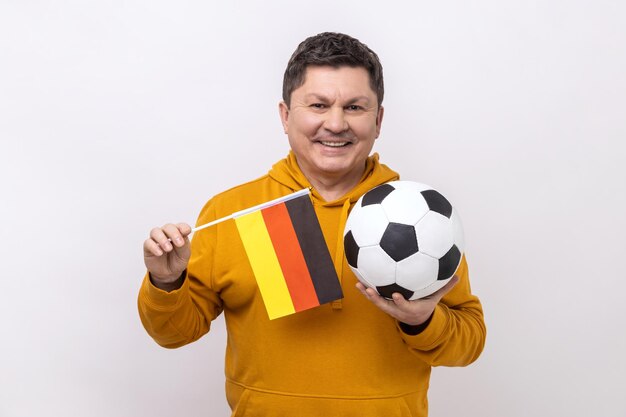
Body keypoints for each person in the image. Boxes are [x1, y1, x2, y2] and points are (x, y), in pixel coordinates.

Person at [138, 32, 486, 417]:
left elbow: (467, 344)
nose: (335, 124)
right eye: (318, 105)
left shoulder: (421, 216)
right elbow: (172, 333)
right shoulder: (235, 211)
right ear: (286, 116)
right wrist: (166, 283)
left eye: (354, 107)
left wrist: (424, 322)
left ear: (378, 119)